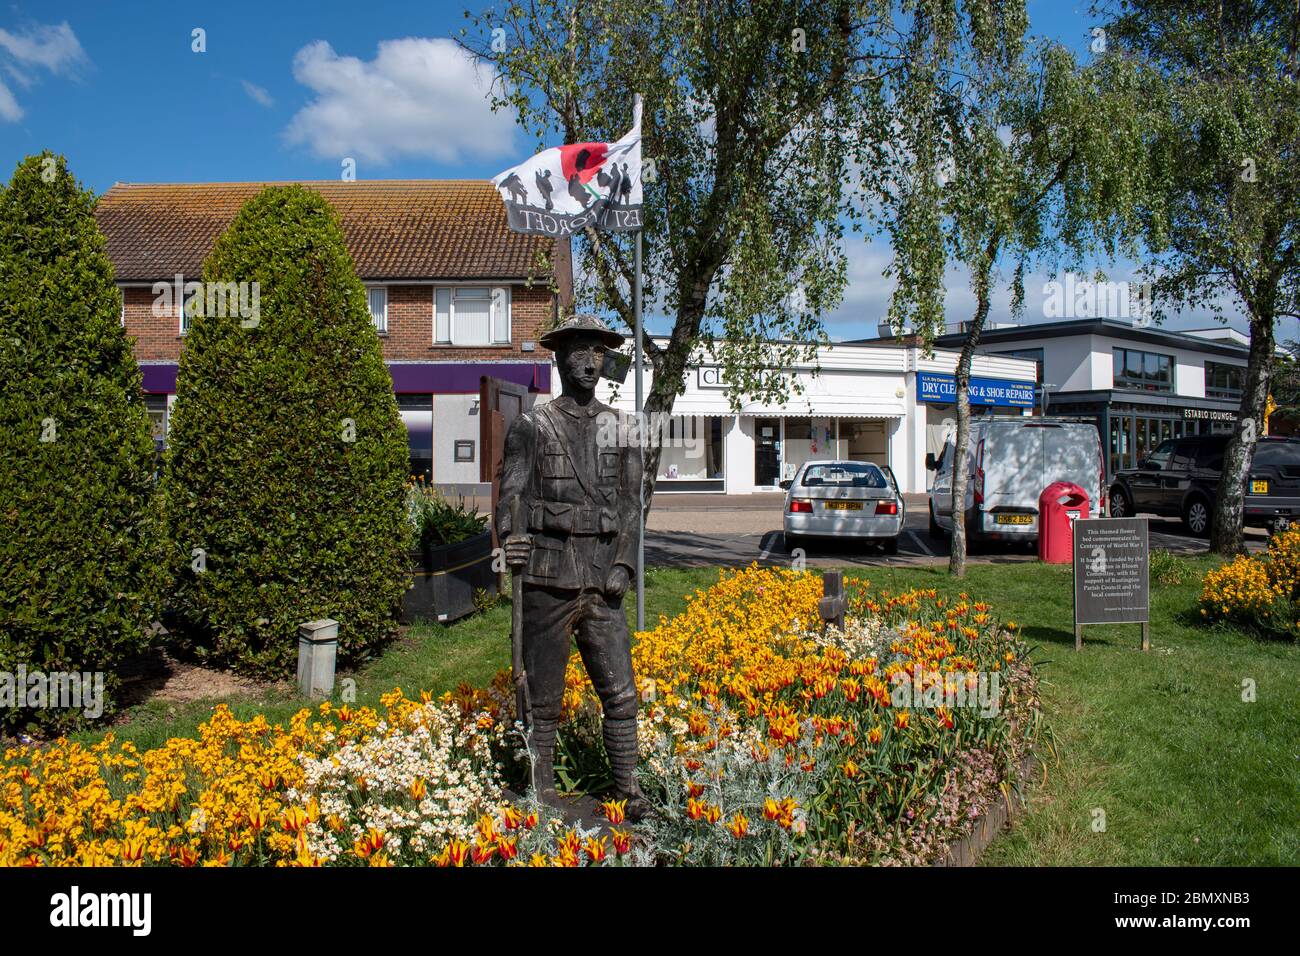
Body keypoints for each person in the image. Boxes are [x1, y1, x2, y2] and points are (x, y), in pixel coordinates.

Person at [496, 314, 648, 820]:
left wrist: (624, 563)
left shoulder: (623, 428)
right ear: (559, 357)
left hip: (603, 578)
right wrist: (510, 536)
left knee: (620, 692)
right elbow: (510, 494)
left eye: (598, 353)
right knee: (544, 698)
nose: (589, 362)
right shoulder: (531, 426)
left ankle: (627, 788)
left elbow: (631, 506)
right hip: (548, 574)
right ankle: (543, 793)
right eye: (579, 351)